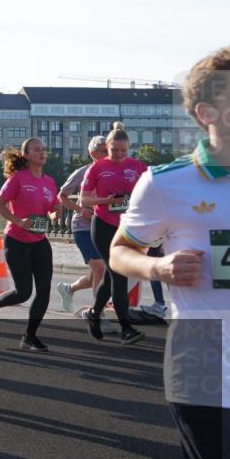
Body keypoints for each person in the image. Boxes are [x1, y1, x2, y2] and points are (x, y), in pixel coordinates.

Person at [110, 44, 230, 459]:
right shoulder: (166, 184)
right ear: (207, 112)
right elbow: (119, 251)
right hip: (206, 368)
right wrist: (158, 268)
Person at [0, 139, 62, 351]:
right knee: (23, 292)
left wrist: (55, 214)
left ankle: (29, 337)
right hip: (16, 241)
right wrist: (18, 221)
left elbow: (51, 210)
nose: (42, 152)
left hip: (39, 241)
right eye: (37, 150)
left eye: (43, 149)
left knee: (44, 291)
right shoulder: (18, 178)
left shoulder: (49, 182)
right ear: (26, 155)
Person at [80, 122, 149, 345]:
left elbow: (151, 189)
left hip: (126, 228)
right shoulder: (97, 168)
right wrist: (106, 201)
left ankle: (94, 313)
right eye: (114, 150)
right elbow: (84, 199)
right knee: (119, 274)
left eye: (123, 150)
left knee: (112, 276)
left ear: (129, 148)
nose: (119, 154)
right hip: (103, 226)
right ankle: (126, 328)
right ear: (107, 147)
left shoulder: (137, 166)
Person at [56, 136, 109, 316]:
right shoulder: (83, 172)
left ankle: (68, 289)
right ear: (93, 154)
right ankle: (98, 313)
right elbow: (62, 196)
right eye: (104, 151)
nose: (109, 154)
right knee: (99, 267)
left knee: (97, 273)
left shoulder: (114, 174)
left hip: (104, 227)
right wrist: (80, 209)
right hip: (83, 227)